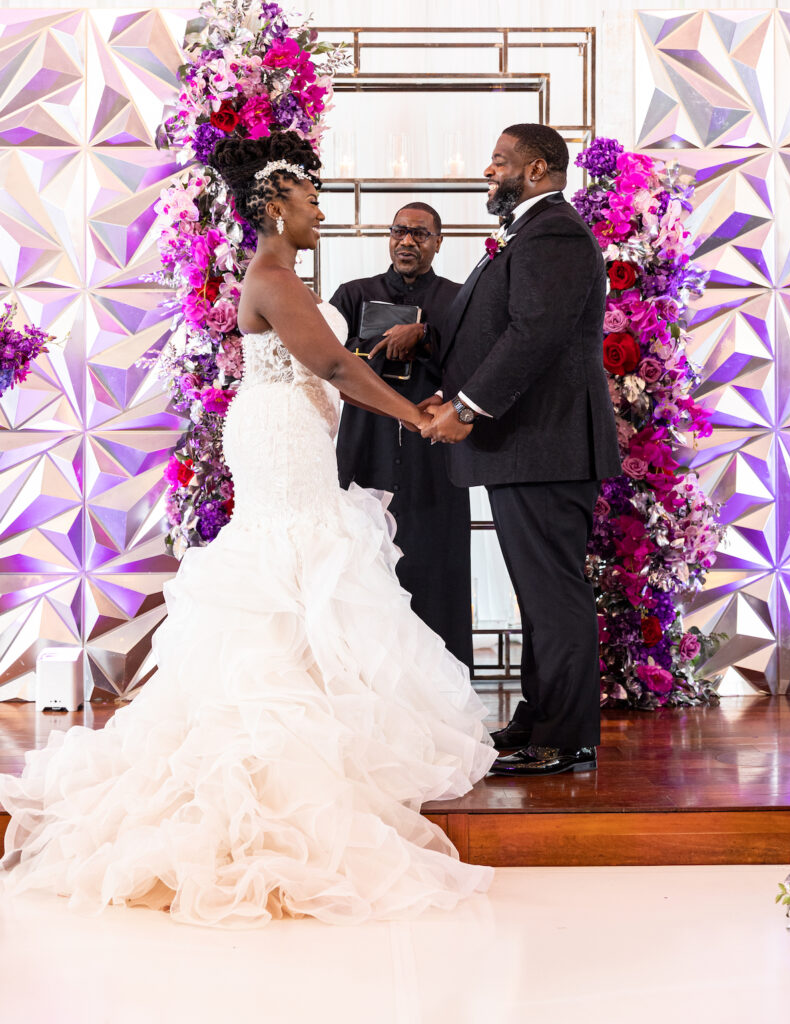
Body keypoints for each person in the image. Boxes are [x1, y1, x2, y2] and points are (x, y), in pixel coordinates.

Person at [0, 131, 496, 927]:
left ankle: (312, 723)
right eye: (308, 201)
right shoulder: (274, 277)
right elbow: (336, 366)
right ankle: (280, 739)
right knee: (298, 560)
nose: (320, 212)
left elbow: (331, 367)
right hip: (281, 440)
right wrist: (417, 417)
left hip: (285, 431)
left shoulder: (280, 275)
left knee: (304, 566)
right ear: (273, 207)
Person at [422, 123, 621, 777]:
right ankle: (538, 716)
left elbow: (533, 333)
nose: (488, 169)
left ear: (536, 170)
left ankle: (565, 738)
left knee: (552, 593)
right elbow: (496, 325)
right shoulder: (531, 233)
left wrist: (468, 408)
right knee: (537, 593)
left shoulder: (554, 232)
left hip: (545, 445)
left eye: (500, 161)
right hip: (530, 447)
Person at [332, 205, 472, 668]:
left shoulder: (457, 300)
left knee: (437, 562)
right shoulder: (353, 295)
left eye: (420, 233)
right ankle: (365, 680)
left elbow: (474, 369)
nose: (407, 241)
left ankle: (446, 685)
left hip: (432, 448)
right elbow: (325, 363)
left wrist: (426, 336)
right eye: (399, 231)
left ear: (439, 241)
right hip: (363, 442)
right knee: (363, 565)